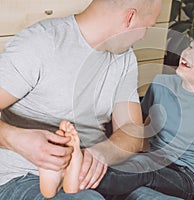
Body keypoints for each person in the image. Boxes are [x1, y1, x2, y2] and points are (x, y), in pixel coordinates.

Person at [0, 0, 163, 199]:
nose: (144, 36)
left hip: (92, 175)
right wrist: (16, 140)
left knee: (161, 187)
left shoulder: (124, 58)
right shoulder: (39, 43)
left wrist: (101, 154)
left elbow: (131, 128)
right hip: (24, 176)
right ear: (129, 18)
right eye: (148, 26)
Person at [95, 28, 194, 200]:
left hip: (186, 176)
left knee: (142, 172)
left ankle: (78, 177)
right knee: (137, 191)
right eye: (191, 46)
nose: (188, 54)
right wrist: (140, 152)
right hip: (154, 160)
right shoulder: (161, 84)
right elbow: (141, 123)